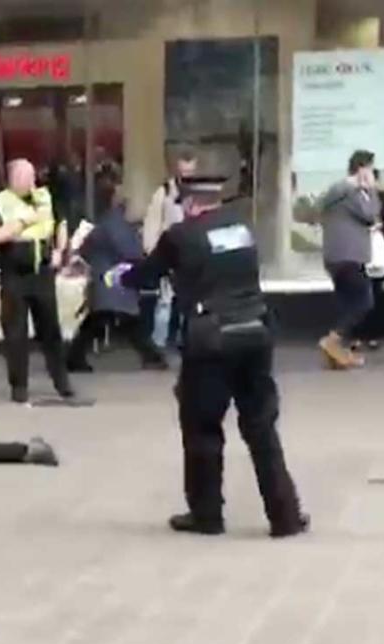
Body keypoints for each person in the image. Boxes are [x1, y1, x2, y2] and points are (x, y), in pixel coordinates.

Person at [105, 175, 308, 538]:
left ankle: (207, 514)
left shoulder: (181, 236)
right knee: (261, 426)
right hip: (256, 331)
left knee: (202, 428)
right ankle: (285, 515)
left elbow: (147, 274)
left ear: (190, 205)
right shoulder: (243, 230)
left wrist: (119, 277)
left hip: (211, 338)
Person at [0, 159, 89, 406]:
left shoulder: (45, 197)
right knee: (16, 333)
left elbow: (60, 224)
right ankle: (19, 386)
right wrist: (25, 221)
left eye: (32, 177)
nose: (30, 182)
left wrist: (59, 249)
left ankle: (62, 382)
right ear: (12, 179)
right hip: (14, 273)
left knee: (50, 330)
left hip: (42, 272)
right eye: (24, 178)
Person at [67, 188, 168, 373]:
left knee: (101, 321)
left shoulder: (105, 223)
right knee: (125, 321)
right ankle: (152, 356)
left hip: (104, 279)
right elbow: (131, 251)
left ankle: (74, 357)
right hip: (114, 281)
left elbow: (85, 250)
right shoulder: (117, 224)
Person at [318, 150, 381, 370]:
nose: (373, 174)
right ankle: (332, 341)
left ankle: (336, 354)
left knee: (347, 305)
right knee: (364, 302)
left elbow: (371, 214)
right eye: (371, 169)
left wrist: (367, 190)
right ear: (362, 169)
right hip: (348, 257)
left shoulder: (347, 192)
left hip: (340, 257)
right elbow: (369, 214)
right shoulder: (348, 192)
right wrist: (367, 188)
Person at [142, 148, 197, 350]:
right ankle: (158, 343)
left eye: (190, 173)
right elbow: (152, 222)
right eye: (184, 173)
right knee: (165, 301)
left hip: (191, 253)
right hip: (169, 252)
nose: (187, 177)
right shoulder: (164, 192)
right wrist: (151, 251)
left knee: (189, 302)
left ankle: (187, 340)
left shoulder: (198, 193)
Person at [352, 173, 384, 350]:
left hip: (378, 251)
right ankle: (356, 334)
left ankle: (373, 334)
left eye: (369, 178)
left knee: (376, 294)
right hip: (357, 251)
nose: (365, 182)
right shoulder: (352, 199)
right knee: (357, 294)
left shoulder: (383, 197)